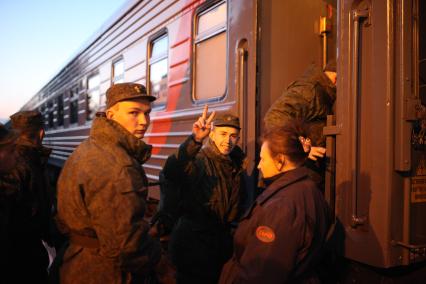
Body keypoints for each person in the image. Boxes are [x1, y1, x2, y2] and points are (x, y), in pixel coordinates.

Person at [56, 83, 174, 284]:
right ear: (111, 115)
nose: (144, 121)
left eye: (147, 113)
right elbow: (127, 246)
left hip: (78, 262)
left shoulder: (89, 148)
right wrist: (160, 259)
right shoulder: (118, 165)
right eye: (134, 113)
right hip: (105, 272)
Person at [219, 121, 330, 283]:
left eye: (263, 159)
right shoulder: (310, 189)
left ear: (280, 161)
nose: (259, 166)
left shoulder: (281, 207)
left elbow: (260, 274)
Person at [163, 107, 247, 284]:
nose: (228, 141)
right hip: (193, 246)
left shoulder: (236, 165)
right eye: (223, 134)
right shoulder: (200, 160)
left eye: (233, 136)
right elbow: (172, 172)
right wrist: (195, 140)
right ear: (213, 135)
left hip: (218, 244)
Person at [0, 111, 53, 284]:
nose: (15, 154)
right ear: (41, 133)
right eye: (11, 150)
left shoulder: (21, 161)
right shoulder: (27, 162)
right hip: (22, 260)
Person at [264, 62, 337, 184]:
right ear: (336, 79)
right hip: (294, 173)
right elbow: (274, 117)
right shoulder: (311, 90)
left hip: (301, 172)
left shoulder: (319, 91)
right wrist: (301, 148)